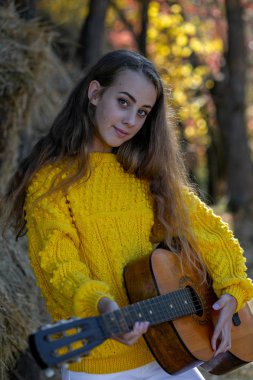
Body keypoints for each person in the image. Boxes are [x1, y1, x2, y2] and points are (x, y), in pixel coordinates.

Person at [1, 49, 253, 380]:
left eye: (143, 111)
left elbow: (213, 234)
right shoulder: (51, 181)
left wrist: (230, 296)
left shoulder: (144, 174)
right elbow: (58, 265)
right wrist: (102, 304)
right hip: (100, 367)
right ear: (94, 93)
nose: (131, 120)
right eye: (123, 102)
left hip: (168, 355)